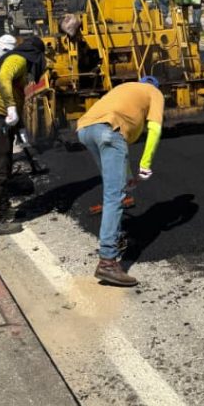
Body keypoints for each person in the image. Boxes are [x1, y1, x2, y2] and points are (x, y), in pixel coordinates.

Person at [76, 76, 165, 287]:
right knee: (114, 197)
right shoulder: (154, 93)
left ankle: (115, 236)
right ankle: (107, 262)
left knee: (113, 188)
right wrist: (145, 163)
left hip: (85, 130)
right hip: (109, 131)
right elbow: (155, 128)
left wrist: (127, 176)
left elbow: (118, 139)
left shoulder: (124, 88)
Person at [0, 35, 46, 236]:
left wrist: (19, 124)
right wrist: (11, 107)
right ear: (36, 54)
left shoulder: (15, 59)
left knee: (3, 169)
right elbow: (4, 79)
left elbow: (14, 90)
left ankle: (2, 210)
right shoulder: (18, 60)